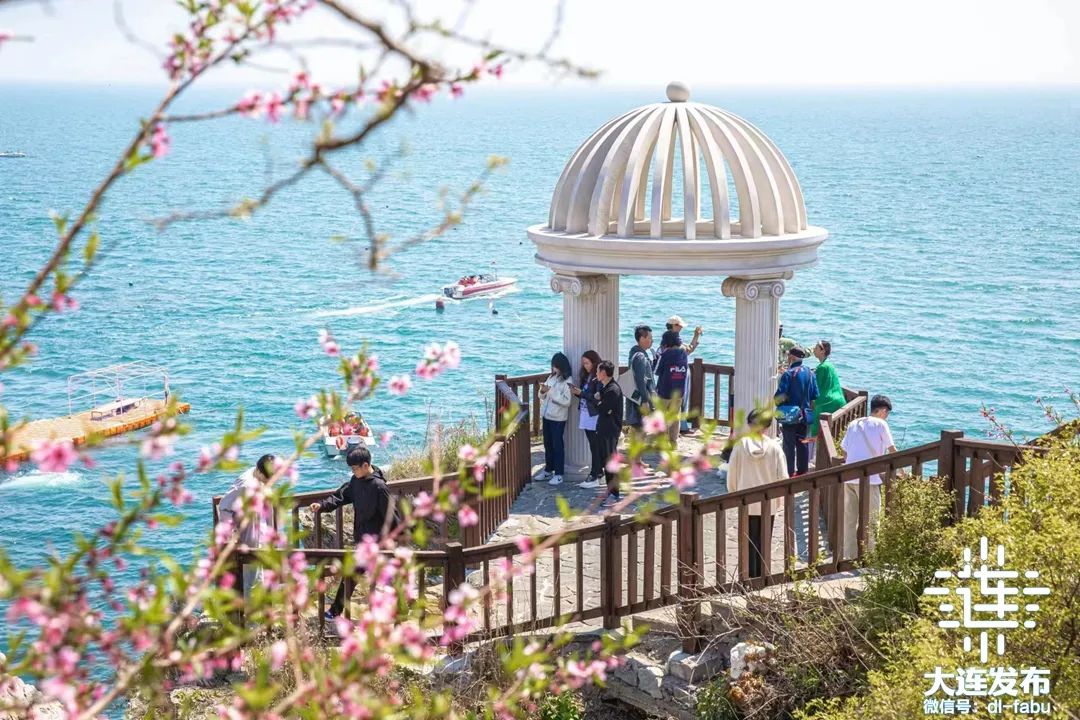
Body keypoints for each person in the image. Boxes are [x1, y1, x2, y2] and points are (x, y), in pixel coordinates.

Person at [309, 445, 399, 619]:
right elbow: (341, 496)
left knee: (386, 578)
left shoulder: (380, 487)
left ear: (366, 465)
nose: (353, 471)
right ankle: (336, 610)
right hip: (362, 542)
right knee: (352, 576)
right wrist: (322, 505)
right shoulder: (356, 481)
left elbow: (392, 516)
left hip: (379, 544)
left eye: (355, 468)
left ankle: (399, 609)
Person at [726, 411, 788, 578]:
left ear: (749, 424)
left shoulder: (740, 446)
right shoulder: (775, 448)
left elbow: (731, 475)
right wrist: (778, 500)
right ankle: (762, 577)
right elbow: (783, 477)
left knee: (747, 541)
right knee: (764, 541)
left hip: (745, 502)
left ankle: (746, 577)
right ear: (768, 426)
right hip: (768, 504)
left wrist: (734, 494)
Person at [839, 394, 896, 560]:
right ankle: (871, 559)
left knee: (849, 521)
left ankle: (849, 558)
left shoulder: (854, 423)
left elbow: (845, 451)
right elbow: (892, 450)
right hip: (870, 480)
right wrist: (901, 472)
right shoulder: (881, 424)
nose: (887, 417)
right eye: (887, 413)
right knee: (872, 521)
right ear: (883, 411)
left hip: (849, 477)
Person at [218, 454, 277, 599]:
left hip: (261, 531)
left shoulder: (260, 477)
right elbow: (224, 506)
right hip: (248, 535)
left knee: (260, 575)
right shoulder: (245, 484)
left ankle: (259, 612)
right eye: (267, 478)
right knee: (251, 578)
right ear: (258, 471)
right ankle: (251, 617)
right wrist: (231, 533)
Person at [774, 346, 819, 477]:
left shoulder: (789, 374)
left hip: (790, 414)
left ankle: (788, 473)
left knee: (788, 445)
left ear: (792, 357)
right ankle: (802, 472)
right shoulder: (811, 373)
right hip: (805, 414)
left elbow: (778, 397)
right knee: (802, 442)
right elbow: (815, 394)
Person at [571, 350, 605, 489]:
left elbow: (596, 398)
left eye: (587, 363)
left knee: (595, 445)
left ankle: (596, 473)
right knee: (592, 444)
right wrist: (578, 394)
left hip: (594, 415)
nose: (585, 366)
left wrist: (582, 393)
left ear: (594, 362)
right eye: (583, 363)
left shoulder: (598, 379)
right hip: (586, 413)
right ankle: (597, 472)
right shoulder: (587, 377)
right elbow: (586, 396)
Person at [538, 352, 573, 486]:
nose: (554, 369)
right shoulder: (551, 377)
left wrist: (551, 391)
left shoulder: (568, 381)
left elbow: (566, 401)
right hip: (547, 415)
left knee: (557, 445)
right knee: (548, 444)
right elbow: (542, 396)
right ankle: (548, 469)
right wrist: (542, 391)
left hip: (558, 418)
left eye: (556, 366)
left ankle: (559, 474)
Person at [593, 361, 624, 507]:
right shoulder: (605, 388)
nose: (596, 374)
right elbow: (603, 407)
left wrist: (599, 402)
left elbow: (603, 409)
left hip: (610, 431)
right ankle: (610, 491)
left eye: (598, 371)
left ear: (604, 373)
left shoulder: (612, 390)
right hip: (605, 429)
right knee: (607, 461)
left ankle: (614, 494)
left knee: (610, 462)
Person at [809, 341, 847, 457]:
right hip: (838, 400)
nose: (814, 349)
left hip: (827, 403)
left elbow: (816, 388)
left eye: (816, 347)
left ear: (822, 351)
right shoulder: (828, 365)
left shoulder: (822, 367)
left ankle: (814, 457)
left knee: (816, 428)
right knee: (830, 432)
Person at [665, 315, 702, 433]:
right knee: (678, 401)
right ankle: (677, 429)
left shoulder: (669, 341)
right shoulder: (672, 343)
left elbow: (689, 349)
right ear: (674, 326)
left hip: (675, 376)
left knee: (678, 401)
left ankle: (678, 427)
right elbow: (689, 349)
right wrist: (696, 335)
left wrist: (696, 336)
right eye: (679, 326)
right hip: (677, 376)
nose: (681, 328)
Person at [654, 330, 689, 447]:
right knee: (675, 418)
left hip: (664, 391)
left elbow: (656, 371)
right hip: (679, 392)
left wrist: (656, 358)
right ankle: (673, 442)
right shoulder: (683, 353)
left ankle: (661, 443)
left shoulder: (665, 355)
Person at [624, 325, 656, 430]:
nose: (652, 340)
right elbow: (640, 379)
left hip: (635, 397)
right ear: (642, 339)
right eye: (650, 338)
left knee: (639, 430)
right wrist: (645, 401)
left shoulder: (635, 353)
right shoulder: (640, 356)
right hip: (641, 400)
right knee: (642, 430)